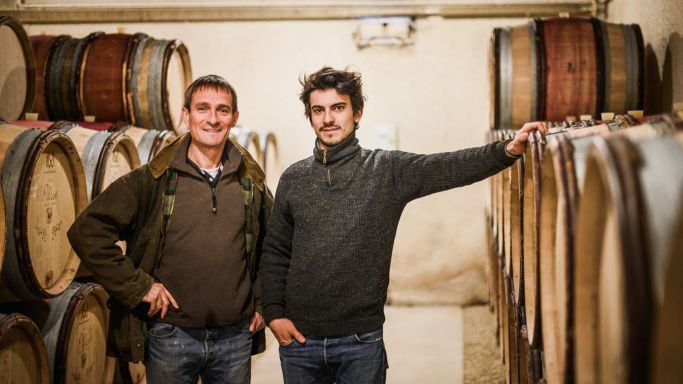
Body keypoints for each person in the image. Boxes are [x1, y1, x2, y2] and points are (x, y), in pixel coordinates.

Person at [260, 66, 546, 383]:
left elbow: (447, 166)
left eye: (338, 108)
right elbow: (275, 251)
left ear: (357, 114)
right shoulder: (294, 178)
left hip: (359, 340)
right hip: (299, 341)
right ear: (310, 117)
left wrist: (507, 149)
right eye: (319, 110)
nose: (328, 119)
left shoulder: (385, 170)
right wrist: (274, 314)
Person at [68, 74, 272, 384]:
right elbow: (88, 231)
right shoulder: (154, 179)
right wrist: (139, 286)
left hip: (235, 337)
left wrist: (261, 302)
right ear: (186, 114)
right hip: (171, 335)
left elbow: (272, 247)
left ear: (234, 118)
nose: (213, 119)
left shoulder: (251, 182)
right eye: (202, 108)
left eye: (222, 110)